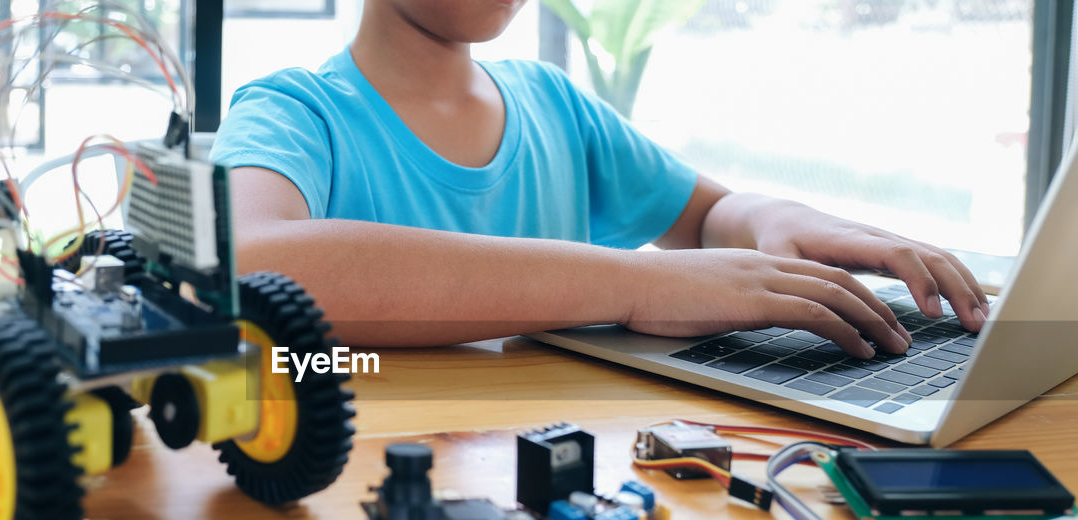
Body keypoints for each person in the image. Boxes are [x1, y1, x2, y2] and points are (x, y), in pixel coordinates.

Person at [210, 0, 990, 358]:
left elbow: (709, 216)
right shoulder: (293, 111)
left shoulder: (553, 103)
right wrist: (637, 285)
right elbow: (253, 268)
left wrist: (774, 219)